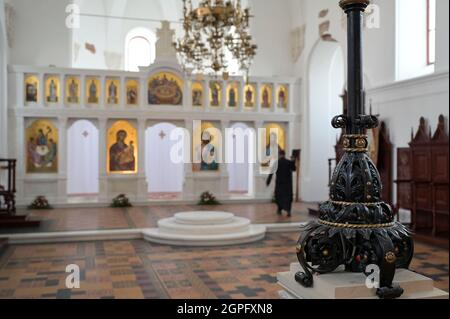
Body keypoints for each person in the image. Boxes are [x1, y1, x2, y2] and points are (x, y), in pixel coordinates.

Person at [266, 150, 296, 217]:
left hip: (279, 184)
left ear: (279, 154)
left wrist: (268, 181)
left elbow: (271, 173)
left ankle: (279, 210)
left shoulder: (276, 163)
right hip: (288, 184)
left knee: (279, 197)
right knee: (287, 198)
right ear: (284, 154)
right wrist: (293, 161)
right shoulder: (289, 162)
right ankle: (288, 211)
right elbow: (294, 169)